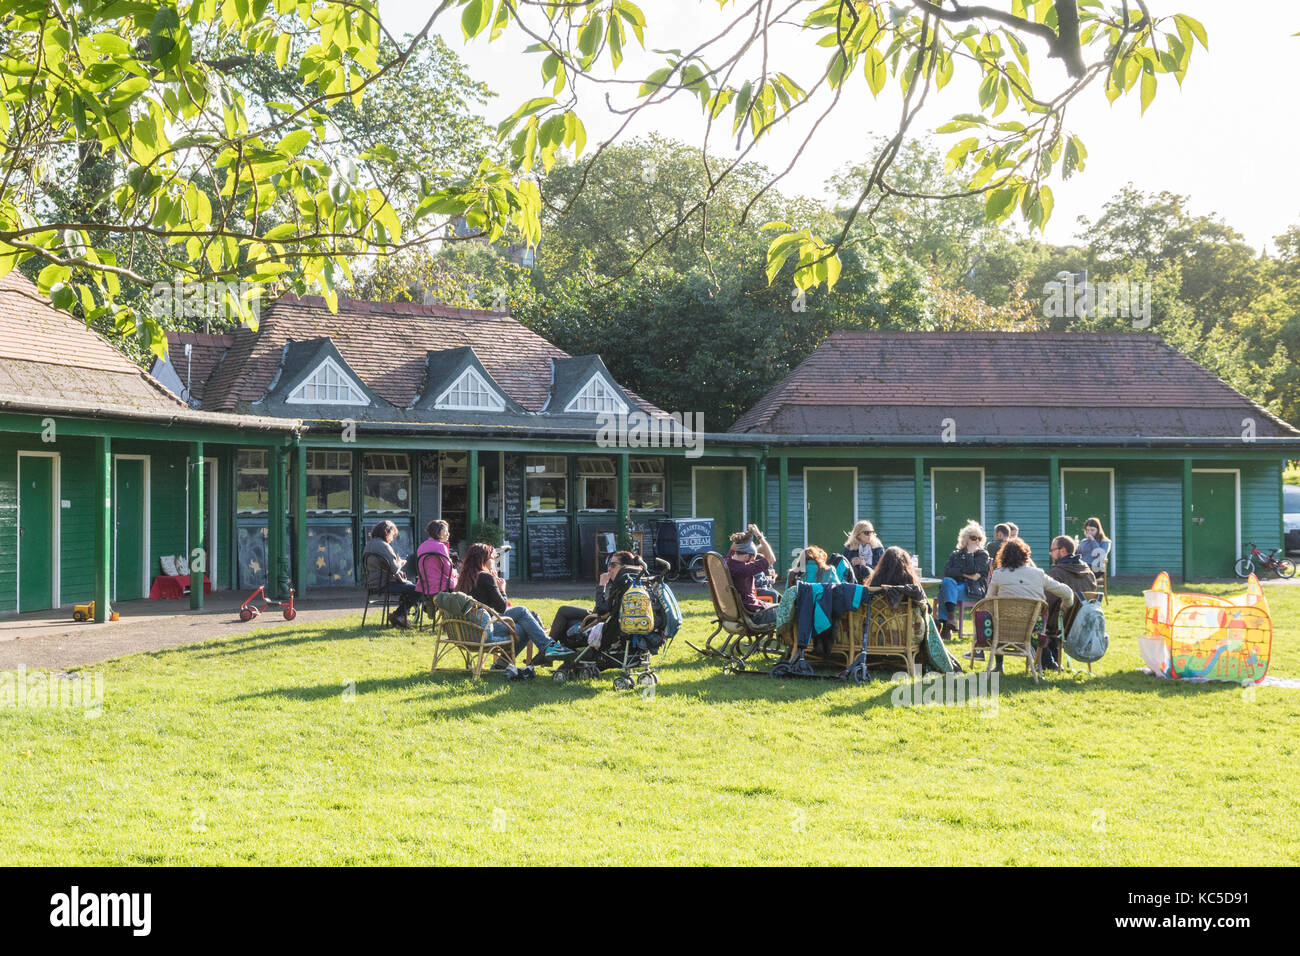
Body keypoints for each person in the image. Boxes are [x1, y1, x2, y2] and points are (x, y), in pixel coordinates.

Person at [456, 543, 573, 662]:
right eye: (492, 558)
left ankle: (503, 664)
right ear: (483, 559)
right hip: (485, 630)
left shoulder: (463, 580)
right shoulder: (485, 578)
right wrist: (502, 589)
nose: (494, 561)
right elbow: (501, 607)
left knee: (525, 623)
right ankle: (548, 647)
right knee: (523, 617)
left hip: (466, 631)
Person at [971, 536, 1076, 667]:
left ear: (1002, 556)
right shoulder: (1038, 574)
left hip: (1002, 630)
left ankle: (998, 666)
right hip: (1032, 631)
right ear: (1025, 555)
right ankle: (1039, 663)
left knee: (992, 616)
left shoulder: (998, 574)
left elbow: (988, 601)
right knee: (1038, 619)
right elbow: (1067, 592)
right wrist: (1066, 605)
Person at [547, 550, 646, 643]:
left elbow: (601, 609)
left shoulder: (622, 585)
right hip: (607, 619)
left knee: (563, 612)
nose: (609, 568)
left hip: (603, 624)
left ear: (624, 567)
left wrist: (601, 585)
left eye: (613, 565)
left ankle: (546, 649)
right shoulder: (634, 584)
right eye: (609, 565)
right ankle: (548, 650)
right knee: (565, 612)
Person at [1043, 535, 1097, 669]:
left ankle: (1048, 662)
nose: (1050, 553)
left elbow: (1046, 602)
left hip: (1060, 626)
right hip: (1084, 624)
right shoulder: (1089, 573)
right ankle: (1053, 660)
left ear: (1062, 550)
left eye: (1052, 550)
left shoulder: (1056, 573)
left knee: (1037, 623)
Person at [936, 521, 990, 640]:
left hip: (973, 589)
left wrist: (970, 555)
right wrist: (968, 574)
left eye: (979, 539)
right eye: (973, 538)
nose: (977, 541)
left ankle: (946, 625)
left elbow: (973, 570)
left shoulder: (983, 555)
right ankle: (951, 617)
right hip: (955, 585)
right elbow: (948, 572)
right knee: (947, 582)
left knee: (945, 591)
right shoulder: (956, 554)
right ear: (965, 539)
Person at [362, 520, 421, 628]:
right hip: (384, 584)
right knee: (417, 589)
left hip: (372, 583)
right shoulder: (384, 546)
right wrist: (401, 563)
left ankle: (400, 616)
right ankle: (399, 615)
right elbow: (394, 568)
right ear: (387, 532)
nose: (392, 538)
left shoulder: (369, 544)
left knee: (409, 587)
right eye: (392, 535)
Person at [725, 524, 779, 626]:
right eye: (753, 558)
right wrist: (758, 535)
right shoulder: (744, 569)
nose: (753, 561)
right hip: (754, 614)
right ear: (746, 556)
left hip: (739, 613)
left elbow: (734, 546)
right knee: (792, 611)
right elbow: (771, 559)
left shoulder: (727, 562)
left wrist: (746, 537)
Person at [414, 519, 458, 599]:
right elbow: (448, 570)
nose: (448, 534)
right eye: (445, 531)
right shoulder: (441, 546)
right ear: (437, 533)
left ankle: (429, 607)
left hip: (425, 585)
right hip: (441, 585)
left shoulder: (421, 546)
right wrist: (456, 574)